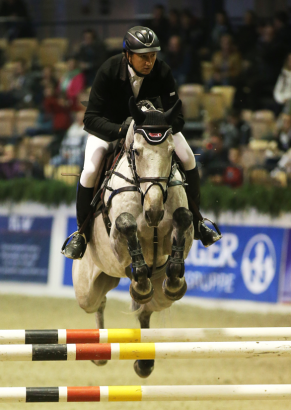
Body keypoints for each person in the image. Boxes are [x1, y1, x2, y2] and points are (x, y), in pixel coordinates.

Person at [63, 26, 221, 260]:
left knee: (187, 157)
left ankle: (198, 222)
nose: (149, 62)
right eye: (143, 57)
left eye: (153, 56)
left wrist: (155, 124)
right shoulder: (108, 70)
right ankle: (82, 233)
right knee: (90, 170)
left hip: (153, 132)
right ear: (128, 55)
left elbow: (177, 117)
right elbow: (91, 118)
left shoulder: (162, 71)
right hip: (112, 129)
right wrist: (122, 129)